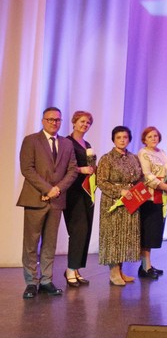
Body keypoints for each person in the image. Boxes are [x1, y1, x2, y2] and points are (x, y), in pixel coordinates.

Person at [17, 107, 79, 299]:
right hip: (35, 198)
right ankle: (31, 282)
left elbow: (73, 170)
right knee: (31, 243)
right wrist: (47, 189)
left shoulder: (67, 144)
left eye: (57, 120)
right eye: (50, 119)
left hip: (56, 200)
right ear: (43, 120)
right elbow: (27, 169)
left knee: (50, 243)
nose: (54, 122)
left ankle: (45, 281)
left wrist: (57, 189)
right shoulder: (31, 140)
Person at [97, 126, 143, 286]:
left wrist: (138, 192)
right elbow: (101, 182)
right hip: (113, 202)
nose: (122, 140)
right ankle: (113, 272)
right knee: (113, 236)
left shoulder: (133, 158)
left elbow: (140, 178)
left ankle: (121, 270)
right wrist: (120, 191)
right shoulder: (106, 158)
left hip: (131, 201)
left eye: (125, 137)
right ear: (113, 140)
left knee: (125, 236)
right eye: (119, 137)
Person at [64, 111, 96, 287]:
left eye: (88, 122)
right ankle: (70, 270)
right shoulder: (66, 142)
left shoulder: (87, 144)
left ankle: (76, 268)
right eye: (82, 121)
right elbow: (63, 166)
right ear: (74, 122)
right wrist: (80, 169)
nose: (85, 125)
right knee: (78, 229)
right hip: (73, 191)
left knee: (86, 229)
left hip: (86, 190)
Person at [137, 126, 167, 279]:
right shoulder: (143, 153)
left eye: (155, 136)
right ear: (144, 139)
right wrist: (163, 186)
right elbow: (147, 175)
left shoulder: (162, 152)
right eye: (150, 136)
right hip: (149, 197)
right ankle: (145, 267)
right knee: (147, 232)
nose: (153, 138)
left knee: (154, 232)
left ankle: (148, 265)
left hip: (162, 196)